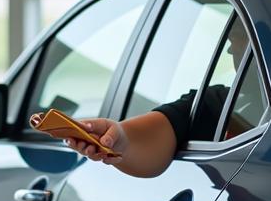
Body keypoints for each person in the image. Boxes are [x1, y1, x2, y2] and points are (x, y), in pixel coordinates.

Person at [62, 17, 251, 175]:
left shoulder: (221, 107)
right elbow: (161, 129)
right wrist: (117, 139)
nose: (229, 49)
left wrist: (119, 140)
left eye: (237, 36)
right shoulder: (217, 105)